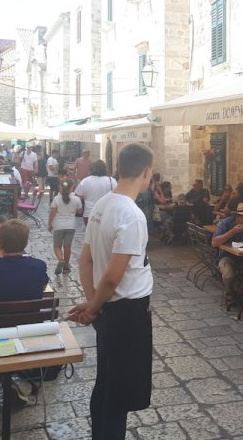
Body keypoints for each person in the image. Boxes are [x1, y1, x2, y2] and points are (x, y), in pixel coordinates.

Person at [68, 143, 155, 440]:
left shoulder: (103, 204)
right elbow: (113, 277)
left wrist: (93, 303)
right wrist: (94, 306)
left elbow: (86, 260)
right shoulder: (131, 214)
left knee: (105, 383)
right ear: (147, 172)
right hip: (127, 312)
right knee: (120, 392)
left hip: (108, 309)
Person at [0, 219, 49, 327]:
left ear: (1, 243)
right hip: (29, 326)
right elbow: (43, 287)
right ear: (25, 243)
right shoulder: (39, 266)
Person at [212, 203, 243, 306]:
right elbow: (214, 242)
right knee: (228, 272)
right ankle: (230, 293)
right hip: (226, 256)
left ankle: (240, 293)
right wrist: (233, 231)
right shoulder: (226, 223)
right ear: (237, 216)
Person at [48, 178, 83, 275]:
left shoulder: (56, 199)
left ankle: (61, 259)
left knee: (57, 246)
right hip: (71, 226)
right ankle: (66, 267)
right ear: (72, 187)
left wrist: (50, 224)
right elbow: (80, 211)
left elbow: (52, 213)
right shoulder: (76, 199)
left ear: (60, 186)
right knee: (67, 247)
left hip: (58, 225)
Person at [75, 160, 118, 227]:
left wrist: (80, 207)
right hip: (106, 214)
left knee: (90, 233)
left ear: (92, 169)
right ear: (105, 169)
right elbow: (117, 197)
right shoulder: (111, 181)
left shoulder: (85, 181)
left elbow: (77, 197)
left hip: (89, 214)